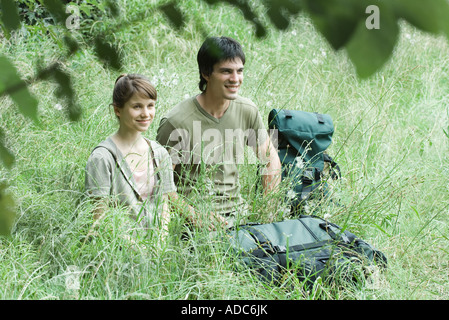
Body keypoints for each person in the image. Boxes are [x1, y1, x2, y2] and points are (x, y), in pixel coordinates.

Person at [156, 36, 281, 229]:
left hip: (239, 219)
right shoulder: (175, 121)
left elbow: (270, 157)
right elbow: (160, 184)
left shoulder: (248, 109)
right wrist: (194, 216)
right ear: (206, 73)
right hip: (192, 225)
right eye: (226, 71)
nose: (235, 79)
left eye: (240, 71)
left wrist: (268, 211)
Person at [85, 73, 176, 241]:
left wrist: (161, 243)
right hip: (118, 253)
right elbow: (100, 218)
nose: (146, 113)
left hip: (157, 254)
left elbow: (164, 207)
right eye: (137, 107)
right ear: (117, 110)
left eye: (150, 105)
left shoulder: (160, 153)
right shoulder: (102, 158)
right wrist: (136, 250)